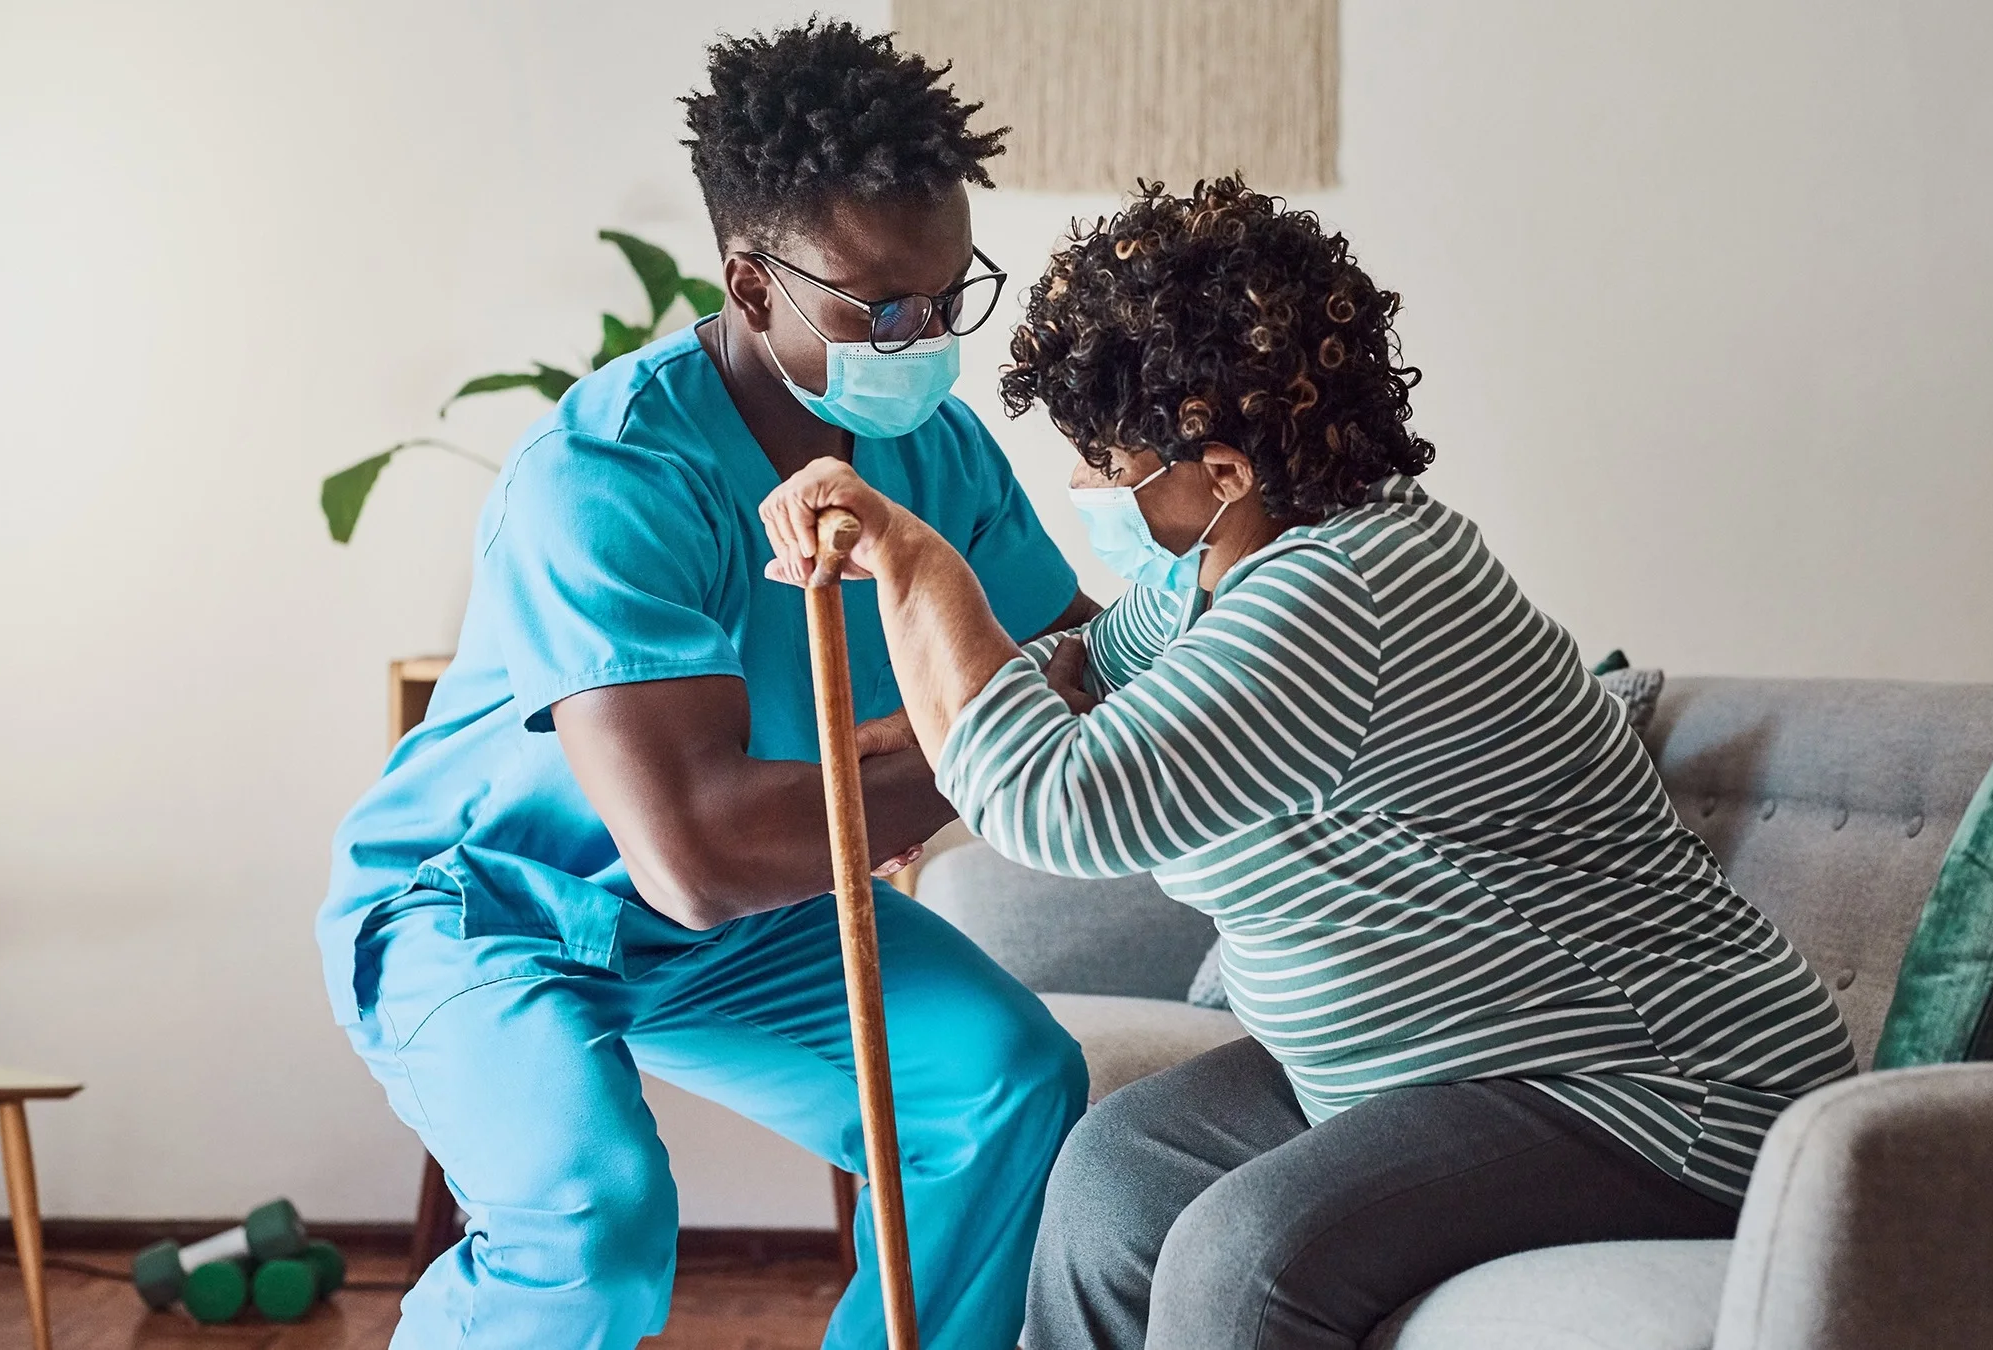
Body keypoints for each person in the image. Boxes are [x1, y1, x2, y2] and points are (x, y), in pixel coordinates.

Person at [759, 178, 1859, 1350]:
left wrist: (919, 564)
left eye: (1106, 458)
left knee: (1252, 1262)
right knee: (1114, 1181)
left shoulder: (1344, 588)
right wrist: (926, 719)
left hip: (1649, 1090)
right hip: (1427, 1069)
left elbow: (1054, 803)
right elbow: (1081, 666)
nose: (1087, 488)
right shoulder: (1221, 574)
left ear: (1224, 472)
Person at [318, 22, 1096, 1349]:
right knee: (595, 1222)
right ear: (750, 286)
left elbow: (1079, 658)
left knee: (1009, 1085)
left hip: (744, 921)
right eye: (881, 309)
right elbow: (695, 850)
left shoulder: (940, 452)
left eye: (952, 294)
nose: (926, 336)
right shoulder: (609, 479)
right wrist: (978, 747)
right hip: (493, 910)